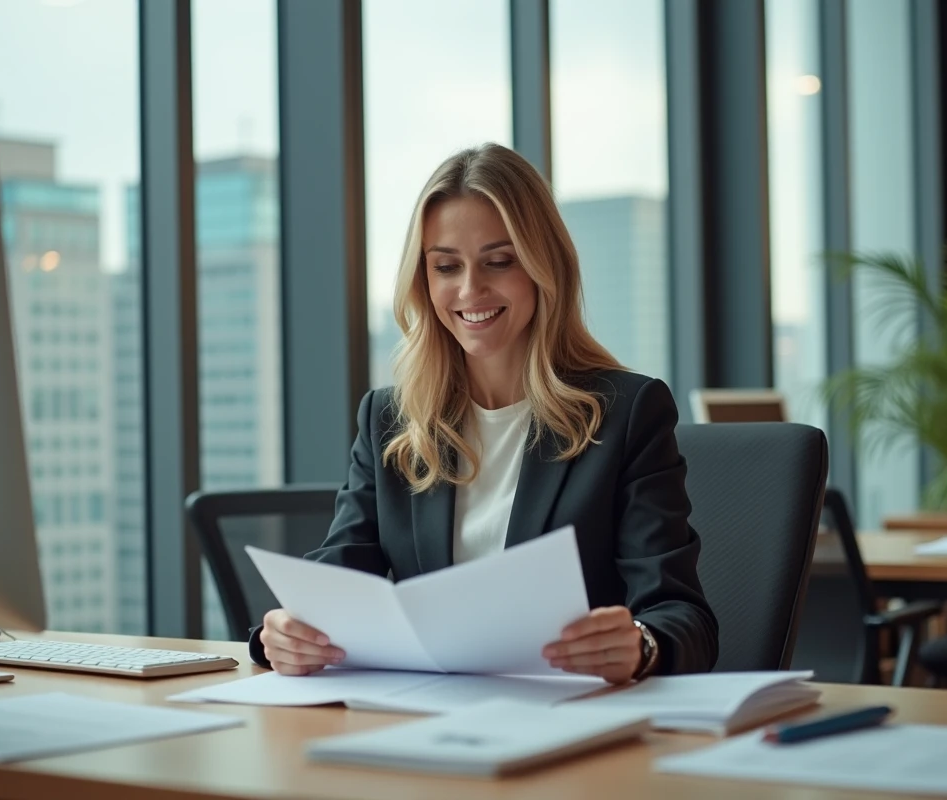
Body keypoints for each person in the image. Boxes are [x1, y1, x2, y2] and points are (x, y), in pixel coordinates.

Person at [249, 143, 718, 684]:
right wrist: (280, 635)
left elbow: (685, 619)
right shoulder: (391, 421)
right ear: (423, 281)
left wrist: (641, 644)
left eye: (499, 261)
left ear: (545, 268)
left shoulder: (626, 413)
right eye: (447, 266)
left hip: (570, 724)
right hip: (427, 720)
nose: (471, 290)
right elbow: (335, 581)